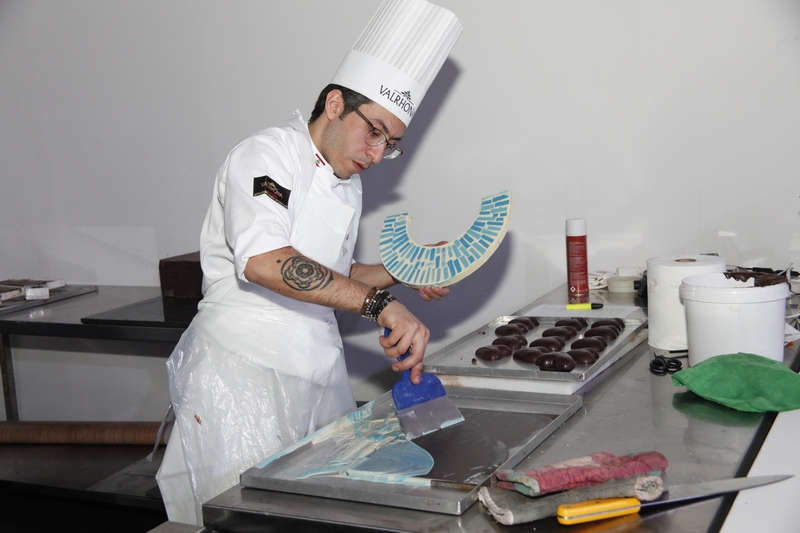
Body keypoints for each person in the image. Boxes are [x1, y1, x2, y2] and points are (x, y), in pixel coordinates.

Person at [155, 0, 462, 525]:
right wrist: (380, 305)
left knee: (320, 515)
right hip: (242, 372)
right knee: (242, 518)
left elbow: (333, 274)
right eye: (374, 131)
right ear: (336, 102)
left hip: (318, 377)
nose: (375, 152)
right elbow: (266, 262)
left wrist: (402, 269)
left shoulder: (348, 184)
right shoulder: (266, 155)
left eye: (391, 144)